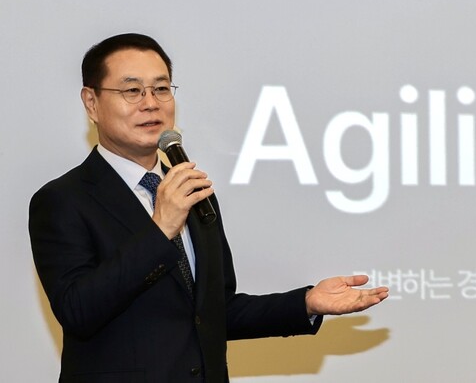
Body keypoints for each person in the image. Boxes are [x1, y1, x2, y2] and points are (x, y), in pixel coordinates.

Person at [28, 33, 390, 382]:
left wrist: (306, 303)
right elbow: (78, 311)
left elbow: (216, 311)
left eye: (161, 88)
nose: (151, 103)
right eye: (132, 90)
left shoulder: (192, 191)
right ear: (91, 102)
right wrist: (160, 229)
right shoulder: (63, 200)